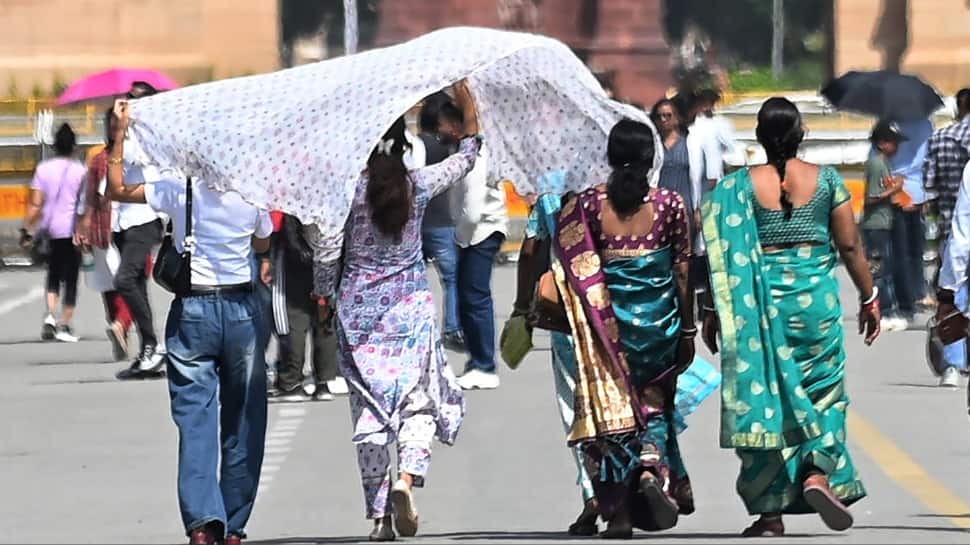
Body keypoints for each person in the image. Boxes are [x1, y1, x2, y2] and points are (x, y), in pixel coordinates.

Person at [307, 81, 480, 542]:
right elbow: (466, 158)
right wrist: (467, 102)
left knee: (369, 413)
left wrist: (324, 298)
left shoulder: (347, 194)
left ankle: (381, 517)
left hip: (358, 313)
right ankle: (407, 479)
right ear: (404, 148)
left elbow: (326, 254)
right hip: (409, 308)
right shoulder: (418, 186)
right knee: (416, 401)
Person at [701, 97, 880, 537]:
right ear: (800, 134)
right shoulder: (827, 182)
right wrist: (870, 296)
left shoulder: (738, 189)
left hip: (758, 310)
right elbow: (851, 248)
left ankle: (769, 514)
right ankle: (817, 472)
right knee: (823, 394)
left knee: (765, 402)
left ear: (760, 137)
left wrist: (710, 309)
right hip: (815, 307)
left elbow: (719, 256)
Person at [108, 100, 273, 545]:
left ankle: (204, 523)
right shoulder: (251, 188)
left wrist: (120, 135)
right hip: (240, 310)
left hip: (193, 310)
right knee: (243, 419)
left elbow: (118, 190)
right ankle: (234, 526)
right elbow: (262, 242)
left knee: (195, 419)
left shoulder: (178, 187)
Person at [554, 119, 696, 539]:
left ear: (611, 158)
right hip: (660, 326)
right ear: (653, 159)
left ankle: (618, 515)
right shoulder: (671, 204)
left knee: (612, 420)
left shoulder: (588, 206)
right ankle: (651, 467)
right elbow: (682, 272)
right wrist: (686, 330)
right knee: (654, 407)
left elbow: (573, 269)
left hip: (607, 332)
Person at [435, 100, 508, 390]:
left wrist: (460, 236)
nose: (440, 129)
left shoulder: (476, 155)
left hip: (480, 232)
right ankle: (477, 361)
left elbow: (473, 206)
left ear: (457, 125)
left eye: (443, 123)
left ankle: (485, 364)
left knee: (475, 298)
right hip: (472, 231)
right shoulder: (464, 152)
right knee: (469, 298)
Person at [114, 81, 168, 380]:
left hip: (144, 218)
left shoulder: (148, 138)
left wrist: (122, 131)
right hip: (125, 219)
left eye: (132, 102)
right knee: (135, 282)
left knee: (125, 279)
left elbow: (128, 160)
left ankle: (153, 345)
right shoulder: (126, 135)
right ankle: (149, 347)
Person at [75, 108, 134, 360]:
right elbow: (89, 196)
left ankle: (119, 326)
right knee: (113, 284)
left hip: (132, 228)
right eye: (112, 124)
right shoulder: (100, 160)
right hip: (105, 228)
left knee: (127, 282)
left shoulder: (135, 156)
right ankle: (119, 325)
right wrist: (83, 226)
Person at [21, 123, 86, 343]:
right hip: (74, 231)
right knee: (71, 279)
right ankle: (64, 324)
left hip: (50, 231)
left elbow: (36, 204)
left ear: (54, 145)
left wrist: (27, 229)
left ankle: (50, 314)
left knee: (53, 275)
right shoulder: (80, 170)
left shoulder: (43, 169)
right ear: (74, 147)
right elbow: (85, 203)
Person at [924, 88, 970, 384]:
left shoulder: (940, 138)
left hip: (952, 228)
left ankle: (953, 365)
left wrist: (946, 291)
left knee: (959, 296)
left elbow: (929, 185)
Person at [270, 213, 339, 402]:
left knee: (291, 319)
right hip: (330, 252)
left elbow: (278, 222)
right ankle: (324, 382)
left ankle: (291, 382)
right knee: (324, 316)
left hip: (292, 255)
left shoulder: (290, 187)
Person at [418, 92, 466, 352]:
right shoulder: (449, 146)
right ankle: (452, 327)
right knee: (451, 278)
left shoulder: (416, 145)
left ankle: (420, 327)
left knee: (415, 278)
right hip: (442, 220)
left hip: (416, 222)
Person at [862, 120, 908, 332]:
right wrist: (894, 189)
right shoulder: (876, 164)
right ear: (881, 143)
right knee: (880, 272)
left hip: (884, 222)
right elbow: (871, 198)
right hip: (875, 225)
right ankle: (885, 311)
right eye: (893, 142)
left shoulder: (885, 164)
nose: (896, 147)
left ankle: (887, 308)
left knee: (887, 268)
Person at [889, 118, 934, 318]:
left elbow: (877, 155)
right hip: (918, 190)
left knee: (900, 251)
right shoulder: (925, 124)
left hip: (895, 191)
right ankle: (918, 291)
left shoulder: (888, 123)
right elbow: (929, 159)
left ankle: (904, 298)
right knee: (916, 249)